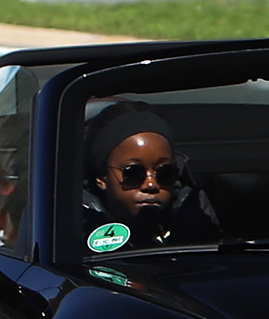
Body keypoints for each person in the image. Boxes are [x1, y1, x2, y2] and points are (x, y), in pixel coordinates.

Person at [80, 101, 220, 250]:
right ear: (102, 177)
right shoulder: (70, 234)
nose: (151, 185)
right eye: (134, 173)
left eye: (164, 173)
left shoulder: (197, 222)